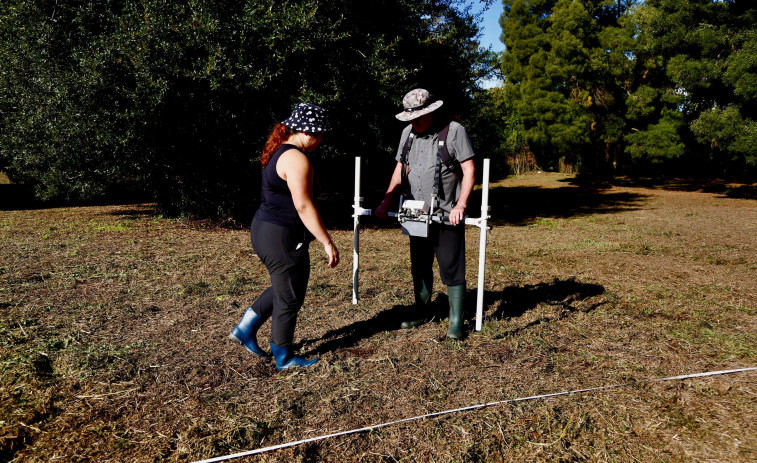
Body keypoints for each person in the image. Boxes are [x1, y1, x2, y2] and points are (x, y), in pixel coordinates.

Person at [229, 102, 339, 370]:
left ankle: (245, 328)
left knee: (287, 286)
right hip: (279, 235)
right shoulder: (295, 158)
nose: (321, 140)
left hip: (269, 230)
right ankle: (284, 356)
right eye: (319, 134)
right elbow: (303, 205)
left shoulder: (281, 151)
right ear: (307, 132)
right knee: (289, 295)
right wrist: (327, 241)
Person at [375, 88, 476, 339]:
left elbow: (469, 169)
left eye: (419, 116)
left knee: (451, 265)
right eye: (411, 117)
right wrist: (387, 199)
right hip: (415, 211)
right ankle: (421, 310)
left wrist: (460, 205)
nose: (414, 121)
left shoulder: (454, 131)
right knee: (419, 264)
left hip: (445, 212)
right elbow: (401, 167)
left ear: (432, 111)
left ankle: (455, 321)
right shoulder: (407, 133)